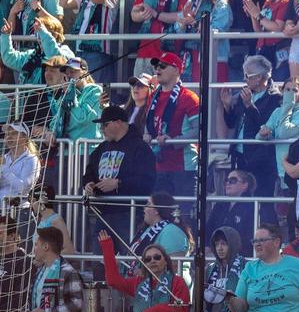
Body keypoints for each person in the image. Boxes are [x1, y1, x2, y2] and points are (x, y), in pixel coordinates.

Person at [83, 106, 158, 247]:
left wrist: (119, 183)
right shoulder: (101, 148)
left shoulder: (140, 148)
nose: (101, 129)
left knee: (127, 260)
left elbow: (148, 182)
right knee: (100, 262)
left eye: (105, 124)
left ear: (118, 122)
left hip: (129, 214)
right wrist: (89, 184)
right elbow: (89, 173)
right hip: (102, 213)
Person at [99, 229, 190, 312]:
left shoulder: (178, 282)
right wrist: (107, 247)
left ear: (165, 261)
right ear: (144, 265)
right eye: (148, 259)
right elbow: (113, 281)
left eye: (157, 257)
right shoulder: (138, 282)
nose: (153, 261)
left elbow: (183, 311)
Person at [222, 55, 282, 210]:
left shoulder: (275, 98)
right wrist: (227, 106)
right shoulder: (245, 95)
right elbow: (231, 123)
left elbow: (264, 127)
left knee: (262, 202)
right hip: (241, 156)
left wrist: (250, 106)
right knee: (242, 204)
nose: (244, 79)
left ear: (260, 78)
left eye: (247, 76)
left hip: (261, 159)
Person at [144, 51, 200, 203]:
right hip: (159, 166)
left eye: (163, 66)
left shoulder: (189, 97)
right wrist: (148, 134)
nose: (158, 69)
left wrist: (174, 140)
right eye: (156, 66)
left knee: (184, 217)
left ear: (176, 70)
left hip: (184, 168)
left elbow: (199, 130)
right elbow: (150, 123)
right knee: (160, 215)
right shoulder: (153, 96)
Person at [61, 0, 121, 81]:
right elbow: (63, 3)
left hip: (97, 50)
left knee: (94, 87)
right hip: (79, 48)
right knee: (78, 86)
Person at [177, 0, 233, 82]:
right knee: (194, 95)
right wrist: (182, 23)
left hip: (213, 56)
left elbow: (217, 29)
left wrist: (195, 23)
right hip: (190, 57)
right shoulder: (191, 2)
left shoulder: (220, 3)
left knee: (214, 96)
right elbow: (178, 27)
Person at [26, 227, 82, 312]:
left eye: (36, 245)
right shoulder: (38, 271)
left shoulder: (68, 272)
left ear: (46, 247)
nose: (34, 249)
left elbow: (77, 304)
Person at [260, 76, 299, 185]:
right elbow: (260, 136)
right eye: (288, 90)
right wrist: (265, 134)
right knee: (281, 202)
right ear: (282, 91)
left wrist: (288, 105)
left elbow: (284, 133)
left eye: (294, 90)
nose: (290, 93)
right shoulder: (277, 112)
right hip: (280, 172)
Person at [245, 0, 296, 74]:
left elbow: (278, 27)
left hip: (277, 49)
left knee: (276, 84)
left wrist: (258, 15)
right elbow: (259, 30)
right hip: (262, 47)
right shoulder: (269, 1)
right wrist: (254, 15)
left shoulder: (286, 2)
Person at [203, 226, 247, 312]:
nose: (220, 248)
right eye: (217, 244)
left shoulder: (244, 267)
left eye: (224, 243)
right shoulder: (209, 269)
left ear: (232, 244)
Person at [206, 170, 256, 248]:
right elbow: (208, 230)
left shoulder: (251, 207)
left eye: (233, 180)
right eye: (226, 180)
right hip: (216, 252)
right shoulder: (219, 206)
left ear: (244, 185)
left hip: (240, 255)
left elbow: (249, 237)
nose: (228, 183)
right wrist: (208, 247)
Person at [0, 122, 39, 206]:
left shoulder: (31, 159)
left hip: (18, 210)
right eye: (7, 134)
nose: (9, 137)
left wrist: (4, 169)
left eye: (14, 133)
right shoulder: (4, 158)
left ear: (25, 137)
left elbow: (23, 188)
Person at [29, 185, 74, 256]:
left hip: (50, 266)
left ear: (42, 201)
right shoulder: (43, 219)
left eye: (33, 201)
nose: (31, 205)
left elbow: (69, 250)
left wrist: (45, 260)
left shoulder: (56, 220)